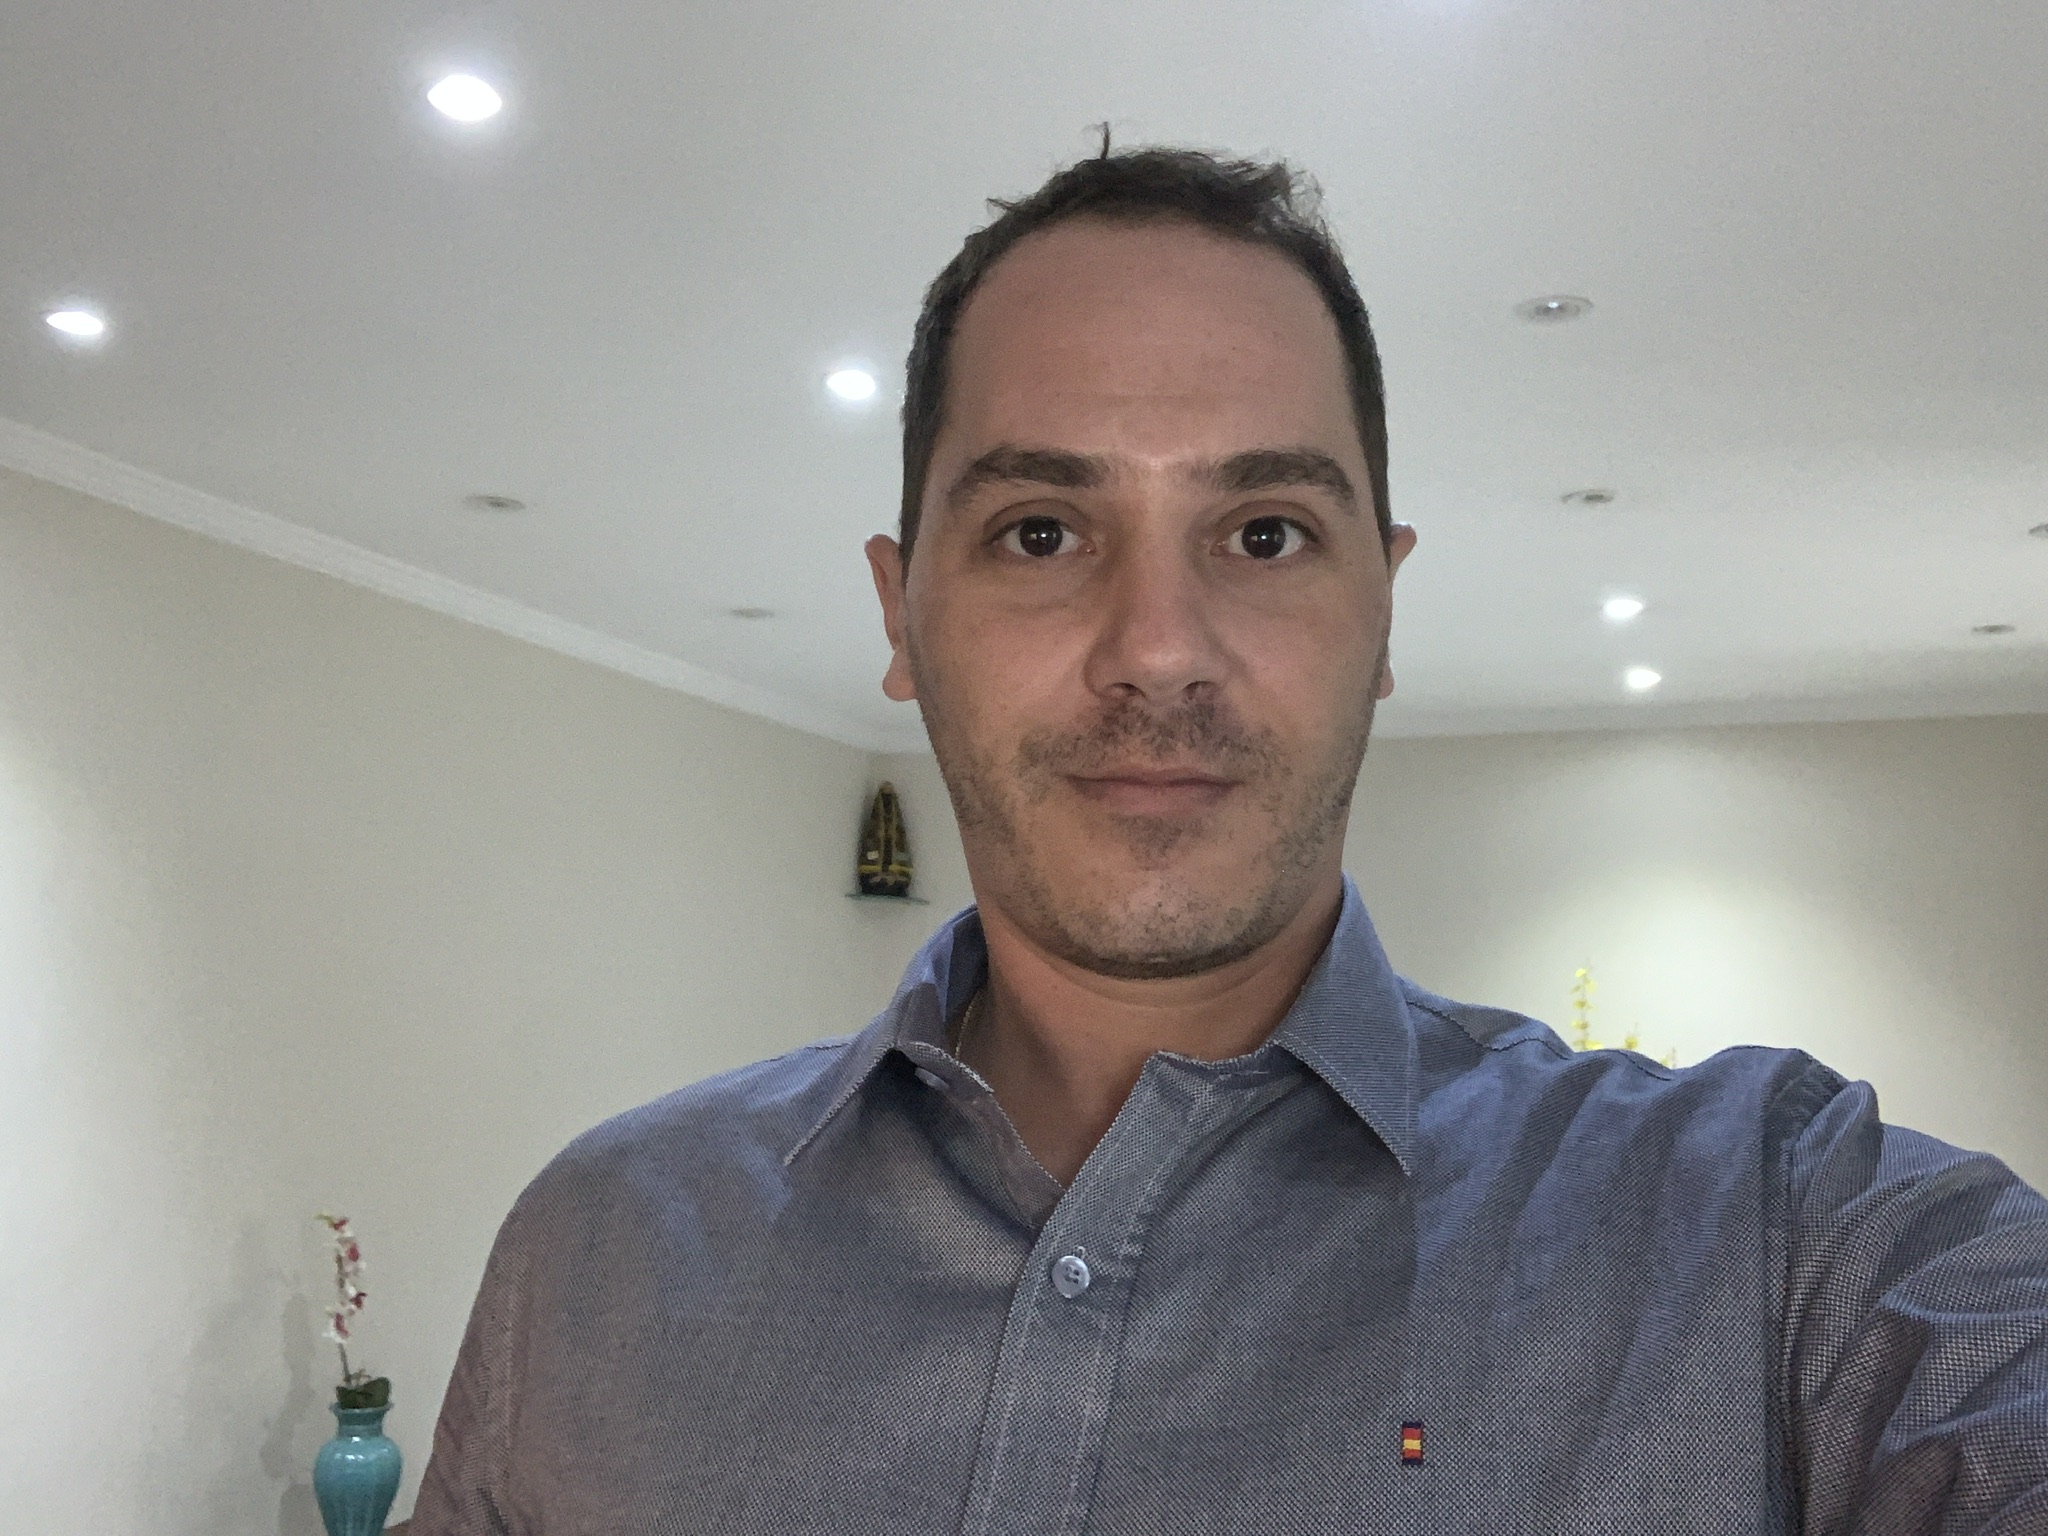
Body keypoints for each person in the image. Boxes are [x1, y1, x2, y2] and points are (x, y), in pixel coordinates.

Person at [412, 145, 2048, 1534]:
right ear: (901, 617)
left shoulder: (1777, 1230)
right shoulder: (600, 1249)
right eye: (1040, 531)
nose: (1159, 649)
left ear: (1383, 608)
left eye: (1264, 533)